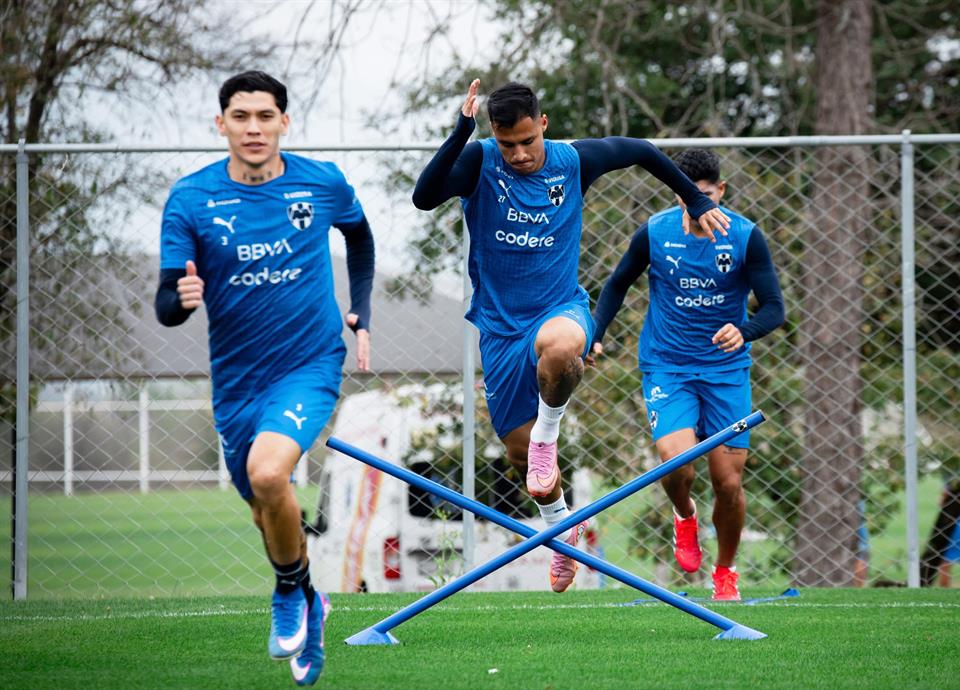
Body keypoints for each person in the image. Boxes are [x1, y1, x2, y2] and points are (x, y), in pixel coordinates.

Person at [412, 80, 730, 593]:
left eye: (527, 141)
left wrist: (693, 199)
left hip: (560, 308)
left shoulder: (574, 160)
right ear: (493, 134)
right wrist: (459, 133)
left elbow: (642, 150)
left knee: (561, 350)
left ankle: (548, 436)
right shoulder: (480, 160)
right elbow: (424, 197)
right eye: (507, 144)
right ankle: (562, 531)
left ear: (543, 124)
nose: (519, 154)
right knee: (523, 464)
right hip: (500, 326)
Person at [155, 71, 375, 685]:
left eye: (264, 116)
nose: (253, 128)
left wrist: (360, 310)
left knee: (270, 472)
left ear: (284, 122)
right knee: (265, 510)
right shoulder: (191, 198)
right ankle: (311, 599)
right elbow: (166, 301)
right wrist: (180, 301)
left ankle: (286, 592)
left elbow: (360, 237)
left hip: (309, 363)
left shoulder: (321, 182)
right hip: (237, 383)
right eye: (241, 116)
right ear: (220, 124)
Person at [590, 148, 785, 601]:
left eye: (707, 198)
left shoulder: (745, 237)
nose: (698, 208)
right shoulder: (655, 233)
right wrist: (596, 334)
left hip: (725, 371)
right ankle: (684, 515)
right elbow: (617, 283)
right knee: (676, 463)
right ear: (676, 194)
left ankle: (725, 571)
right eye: (687, 198)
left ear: (722, 191)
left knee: (728, 483)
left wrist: (745, 330)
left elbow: (774, 308)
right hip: (668, 366)